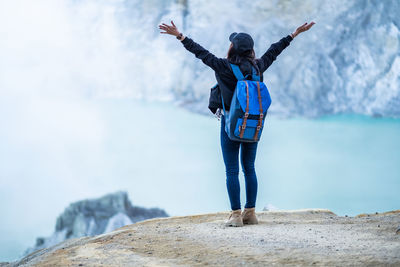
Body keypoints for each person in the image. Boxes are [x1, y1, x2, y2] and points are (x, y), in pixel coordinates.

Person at [159, 20, 315, 227]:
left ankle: (235, 215)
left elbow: (201, 53)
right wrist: (294, 34)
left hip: (229, 125)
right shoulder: (258, 67)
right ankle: (251, 213)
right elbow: (274, 51)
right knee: (249, 168)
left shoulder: (224, 67)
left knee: (231, 171)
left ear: (232, 48)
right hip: (252, 124)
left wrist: (180, 36)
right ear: (251, 50)